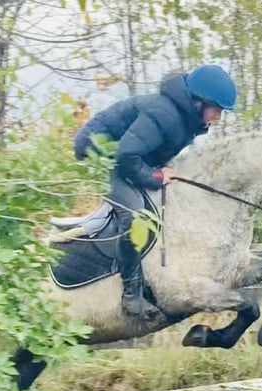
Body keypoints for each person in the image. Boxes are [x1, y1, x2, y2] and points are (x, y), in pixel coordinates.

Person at [73, 65, 237, 320]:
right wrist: (156, 176)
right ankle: (131, 296)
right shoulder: (165, 114)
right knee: (135, 214)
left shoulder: (183, 119)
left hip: (125, 156)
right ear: (198, 103)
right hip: (98, 155)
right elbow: (127, 156)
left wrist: (159, 170)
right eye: (216, 110)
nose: (218, 117)